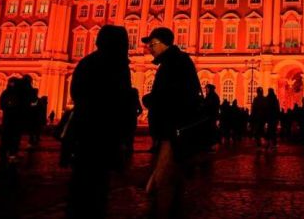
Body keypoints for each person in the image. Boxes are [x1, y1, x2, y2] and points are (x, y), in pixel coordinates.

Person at [67, 25, 133, 219]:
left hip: (84, 129)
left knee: (81, 180)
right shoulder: (118, 65)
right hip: (104, 132)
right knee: (98, 183)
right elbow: (122, 100)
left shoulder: (87, 62)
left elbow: (76, 93)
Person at [141, 27, 203, 218]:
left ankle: (165, 213)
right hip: (172, 129)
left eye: (152, 44)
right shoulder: (175, 61)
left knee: (164, 180)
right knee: (171, 176)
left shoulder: (173, 63)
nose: (149, 48)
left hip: (173, 129)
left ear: (163, 44)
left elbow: (175, 94)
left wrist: (151, 99)